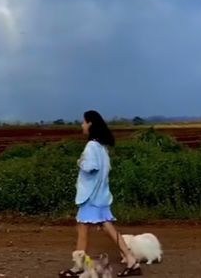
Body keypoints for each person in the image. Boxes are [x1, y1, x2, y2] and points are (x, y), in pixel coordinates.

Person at [59, 110, 142, 277]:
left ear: (90, 123)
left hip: (90, 197)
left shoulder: (91, 146)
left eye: (83, 122)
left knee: (82, 229)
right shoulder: (102, 147)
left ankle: (79, 267)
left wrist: (79, 161)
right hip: (101, 196)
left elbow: (90, 167)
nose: (82, 125)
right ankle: (131, 260)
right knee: (108, 227)